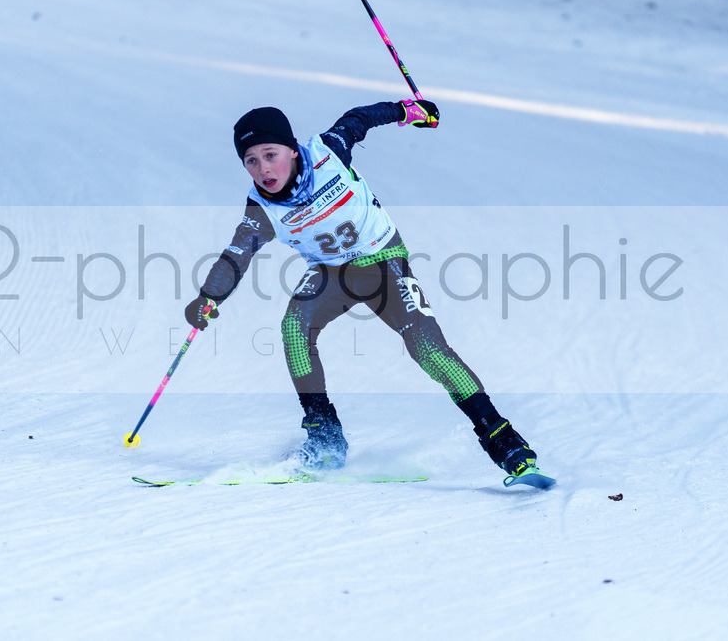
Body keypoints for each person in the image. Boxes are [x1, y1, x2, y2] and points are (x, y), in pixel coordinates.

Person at [184, 99, 539, 479]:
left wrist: (411, 110)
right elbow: (236, 255)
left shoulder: (328, 152)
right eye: (250, 161)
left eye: (270, 154)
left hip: (384, 263)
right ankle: (325, 434)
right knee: (294, 328)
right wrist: (208, 296)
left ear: (291, 149)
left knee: (427, 347)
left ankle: (503, 439)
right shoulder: (261, 209)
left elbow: (361, 118)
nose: (263, 168)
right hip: (331, 275)